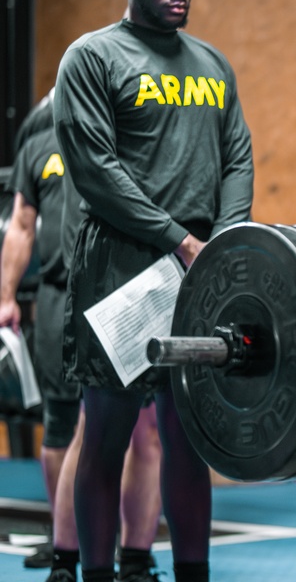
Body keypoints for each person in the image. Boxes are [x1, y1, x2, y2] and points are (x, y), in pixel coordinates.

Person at [52, 0, 255, 582]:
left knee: (189, 437)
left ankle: (191, 574)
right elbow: (96, 170)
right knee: (107, 439)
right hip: (120, 268)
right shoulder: (93, 57)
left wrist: (222, 242)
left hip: (198, 271)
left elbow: (238, 156)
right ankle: (98, 574)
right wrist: (179, 240)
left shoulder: (211, 64)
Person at [0, 98, 164, 582]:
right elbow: (22, 225)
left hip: (128, 293)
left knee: (144, 431)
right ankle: (65, 550)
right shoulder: (38, 146)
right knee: (66, 424)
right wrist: (6, 294)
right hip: (59, 293)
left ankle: (134, 557)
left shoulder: (127, 135)